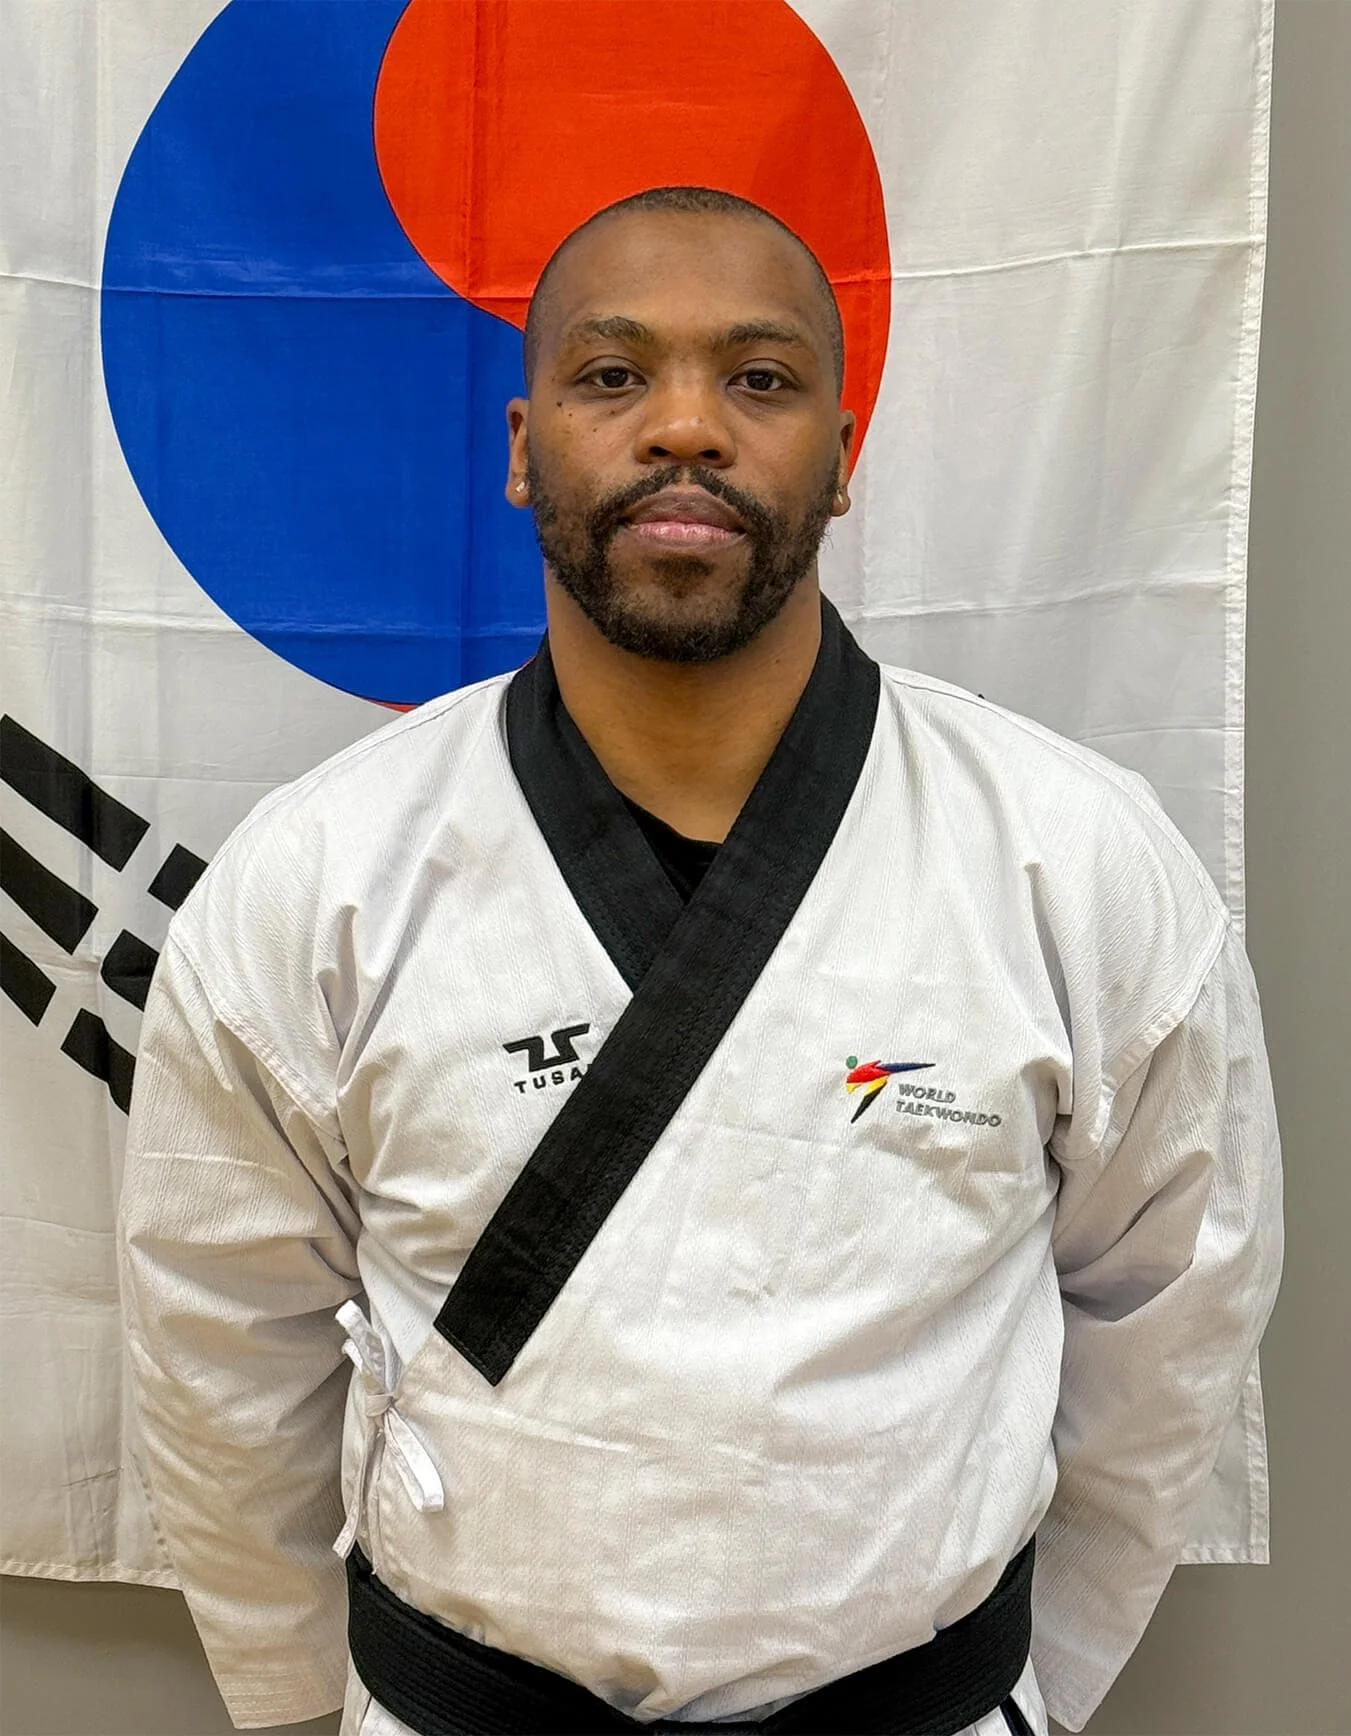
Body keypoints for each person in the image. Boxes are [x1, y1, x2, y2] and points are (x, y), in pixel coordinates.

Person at [118, 187, 1282, 1736]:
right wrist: (294, 1712)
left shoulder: (1072, 860)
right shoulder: (322, 880)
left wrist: (1032, 1686)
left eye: (760, 378)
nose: (685, 429)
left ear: (845, 455)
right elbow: (219, 1353)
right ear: (525, 445)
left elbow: (1171, 1321)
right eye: (615, 377)